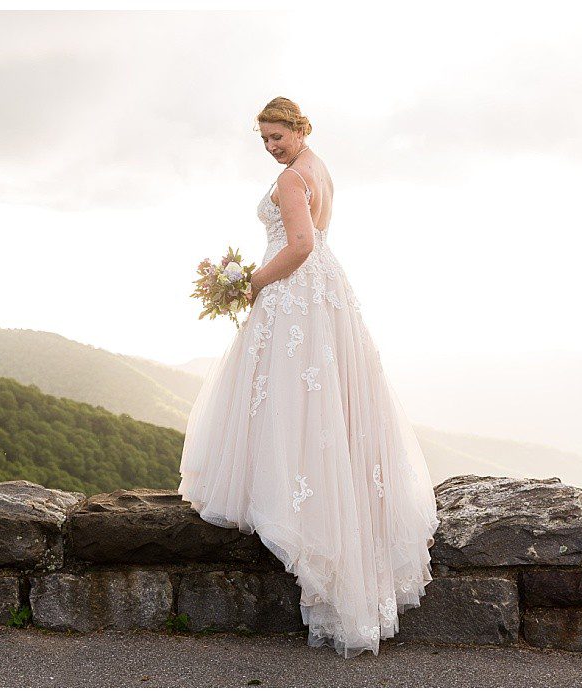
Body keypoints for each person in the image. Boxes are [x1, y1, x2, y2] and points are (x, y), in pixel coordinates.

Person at [178, 97, 438, 658]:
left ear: (300, 129)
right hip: (324, 293)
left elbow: (298, 246)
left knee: (285, 400)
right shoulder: (319, 169)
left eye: (278, 136)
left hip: (296, 294)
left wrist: (248, 283)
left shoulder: (293, 180)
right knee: (319, 404)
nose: (272, 147)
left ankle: (291, 506)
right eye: (264, 140)